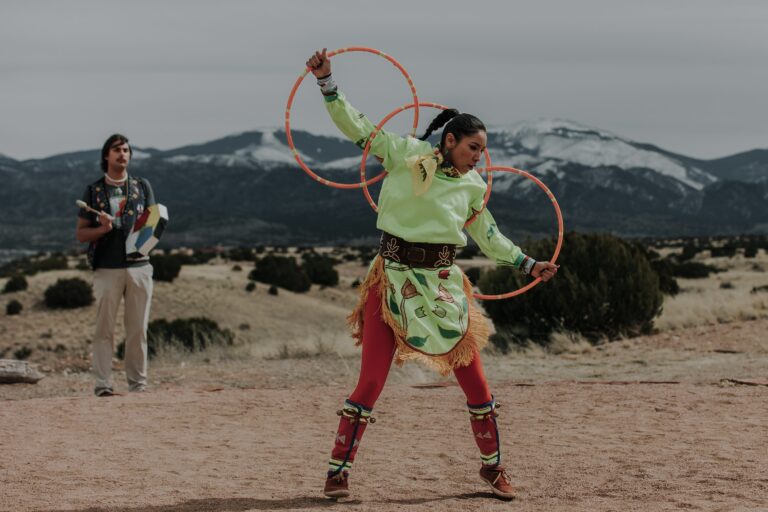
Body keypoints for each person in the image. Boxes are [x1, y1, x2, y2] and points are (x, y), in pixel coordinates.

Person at [306, 49, 559, 499]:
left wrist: (528, 264)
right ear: (449, 141)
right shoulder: (404, 153)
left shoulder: (474, 186)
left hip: (442, 288)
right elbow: (359, 128)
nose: (478, 158)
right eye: (472, 148)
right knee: (371, 380)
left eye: (482, 150)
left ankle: (493, 469)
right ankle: (337, 472)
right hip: (390, 281)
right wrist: (327, 83)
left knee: (476, 382)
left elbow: (490, 236)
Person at [75, 134, 157, 397]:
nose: (122, 154)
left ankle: (138, 384)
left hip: (139, 267)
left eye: (126, 149)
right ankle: (102, 384)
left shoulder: (143, 187)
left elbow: (154, 223)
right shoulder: (94, 191)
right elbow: (81, 234)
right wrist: (103, 228)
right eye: (116, 149)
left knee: (137, 329)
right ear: (106, 156)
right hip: (107, 268)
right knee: (104, 329)